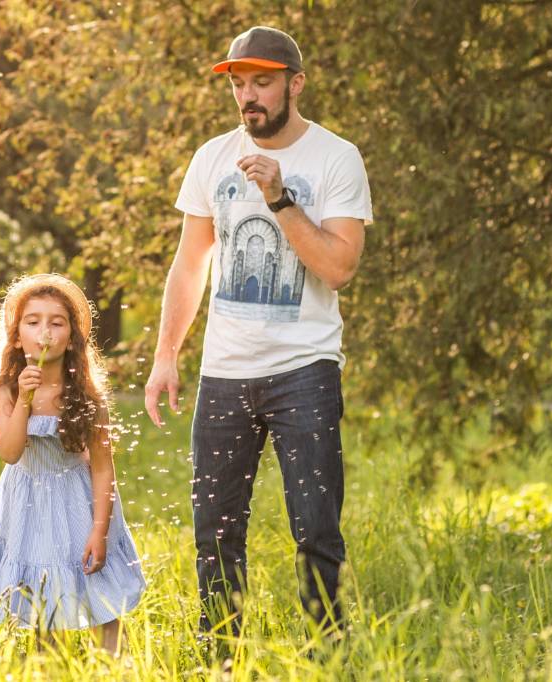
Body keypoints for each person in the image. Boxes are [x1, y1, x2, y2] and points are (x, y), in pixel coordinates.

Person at [144, 26, 373, 640]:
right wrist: (166, 355)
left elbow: (340, 267)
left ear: (295, 84)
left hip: (305, 371)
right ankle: (220, 653)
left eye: (263, 83)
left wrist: (278, 196)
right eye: (240, 85)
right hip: (223, 375)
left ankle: (329, 652)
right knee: (214, 530)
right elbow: (190, 263)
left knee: (316, 528)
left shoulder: (335, 158)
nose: (249, 96)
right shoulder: (211, 157)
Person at [0, 273, 145, 653]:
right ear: (16, 335)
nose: (44, 331)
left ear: (72, 336)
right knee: (42, 601)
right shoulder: (6, 390)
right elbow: (10, 453)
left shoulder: (86, 395)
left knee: (100, 595)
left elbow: (102, 467)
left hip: (78, 500)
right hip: (28, 502)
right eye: (33, 322)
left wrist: (100, 530)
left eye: (56, 322)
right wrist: (25, 400)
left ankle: (118, 669)